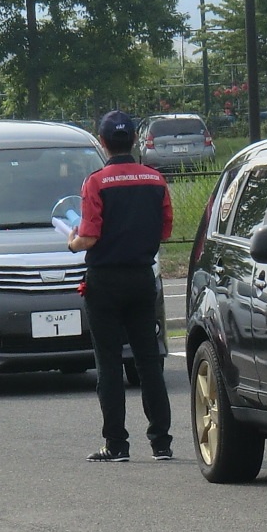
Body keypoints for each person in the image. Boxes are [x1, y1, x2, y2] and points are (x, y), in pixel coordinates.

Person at [67, 110, 175, 463]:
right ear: (133, 140)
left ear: (102, 142)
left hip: (105, 281)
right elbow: (165, 231)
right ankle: (161, 442)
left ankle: (116, 444)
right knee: (148, 362)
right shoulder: (156, 180)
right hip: (142, 277)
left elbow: (89, 235)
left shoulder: (96, 182)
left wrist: (72, 241)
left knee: (109, 364)